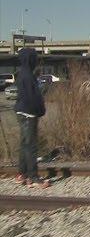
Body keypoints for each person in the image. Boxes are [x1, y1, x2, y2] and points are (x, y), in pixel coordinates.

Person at [14, 48, 49, 189]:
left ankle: (21, 174)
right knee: (31, 146)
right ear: (30, 59)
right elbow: (33, 97)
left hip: (21, 112)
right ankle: (33, 177)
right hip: (29, 114)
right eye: (34, 58)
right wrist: (40, 110)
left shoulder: (22, 73)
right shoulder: (28, 76)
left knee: (24, 144)